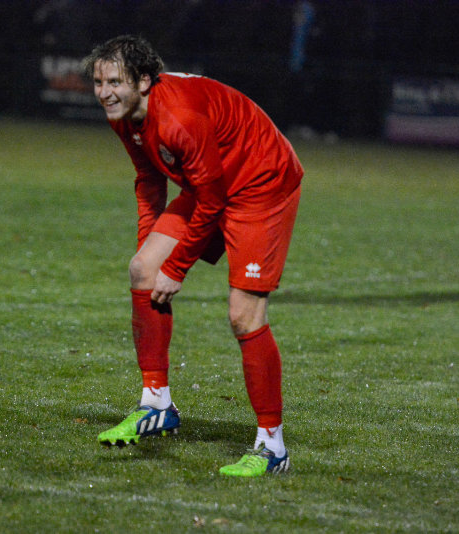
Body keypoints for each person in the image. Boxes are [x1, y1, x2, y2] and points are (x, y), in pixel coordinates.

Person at [83, 35, 303, 477]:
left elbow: (213, 200)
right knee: (142, 269)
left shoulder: (178, 119)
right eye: (99, 82)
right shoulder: (125, 116)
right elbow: (149, 179)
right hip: (213, 184)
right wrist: (152, 249)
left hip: (260, 182)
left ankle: (272, 446)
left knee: (244, 316)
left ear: (144, 81)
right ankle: (156, 405)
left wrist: (177, 267)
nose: (104, 92)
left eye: (115, 82)